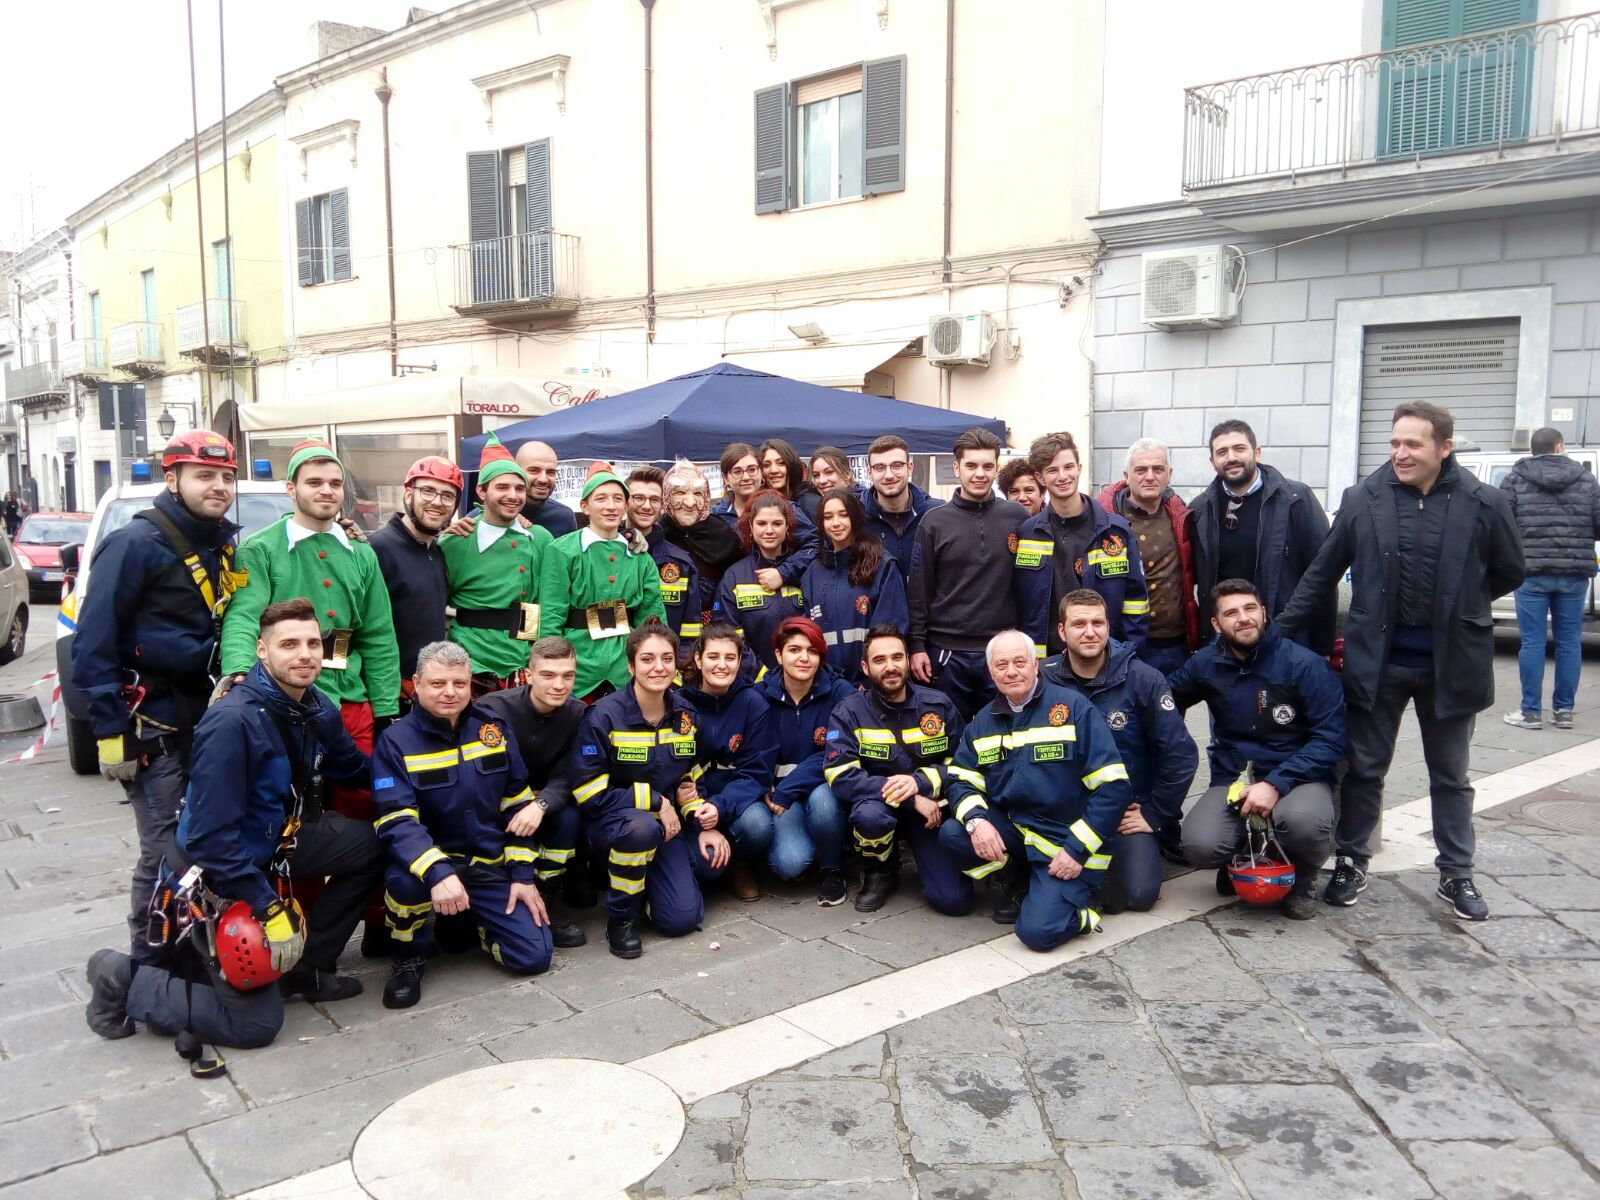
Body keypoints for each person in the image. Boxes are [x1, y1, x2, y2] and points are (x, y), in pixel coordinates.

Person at [85, 599, 383, 1049]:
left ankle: (307, 967)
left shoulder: (315, 706)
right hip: (218, 877)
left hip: (272, 847)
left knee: (371, 844)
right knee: (254, 1027)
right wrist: (266, 907)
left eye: (311, 643)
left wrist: (419, 777)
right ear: (262, 652)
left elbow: (354, 769)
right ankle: (120, 976)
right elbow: (208, 839)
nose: (304, 654)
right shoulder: (231, 722)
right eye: (288, 645)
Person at [1279, 402, 1524, 920]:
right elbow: (1322, 574)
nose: (1400, 453)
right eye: (1394, 443)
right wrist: (1276, 635)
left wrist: (1465, 608)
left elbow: (1510, 570)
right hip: (1378, 663)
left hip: (1451, 664)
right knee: (1366, 769)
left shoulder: (1485, 502)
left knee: (1450, 775)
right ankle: (1352, 860)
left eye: (1412, 444)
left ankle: (1457, 873)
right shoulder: (1362, 499)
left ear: (1444, 448)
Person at [219, 439, 399, 956]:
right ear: (291, 487)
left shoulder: (360, 553)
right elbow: (244, 617)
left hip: (353, 702)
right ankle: (296, 932)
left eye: (335, 483)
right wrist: (236, 672)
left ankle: (375, 922)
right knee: (294, 820)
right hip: (287, 706)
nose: (326, 491)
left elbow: (380, 636)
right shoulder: (261, 549)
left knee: (367, 810)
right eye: (315, 482)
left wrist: (385, 710)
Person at [72, 431, 242, 962]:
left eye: (226, 477)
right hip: (154, 727)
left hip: (203, 719)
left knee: (206, 839)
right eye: (204, 476)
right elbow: (92, 643)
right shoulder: (134, 544)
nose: (218, 487)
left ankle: (193, 951)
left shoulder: (219, 542)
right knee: (166, 849)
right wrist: (110, 731)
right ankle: (146, 968)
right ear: (173, 480)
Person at [374, 641, 566, 1009]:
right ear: (416, 683)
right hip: (431, 866)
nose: (450, 692)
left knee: (534, 957)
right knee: (402, 879)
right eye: (438, 683)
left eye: (460, 683)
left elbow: (517, 804)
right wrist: (437, 873)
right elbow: (396, 820)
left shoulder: (491, 730)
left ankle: (475, 926)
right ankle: (408, 955)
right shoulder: (395, 742)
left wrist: (523, 876)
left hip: (487, 862)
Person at [941, 630, 1132, 946]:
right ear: (991, 672)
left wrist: (1076, 851)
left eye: (1019, 661)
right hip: (1018, 830)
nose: (1011, 671)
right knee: (954, 833)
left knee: (1036, 934)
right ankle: (1020, 881)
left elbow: (1113, 786)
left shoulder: (1072, 708)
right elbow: (960, 778)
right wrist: (977, 823)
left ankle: (1085, 906)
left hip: (1065, 838)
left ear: (1035, 664)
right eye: (1001, 664)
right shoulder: (983, 721)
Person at [1170, 580, 1344, 921]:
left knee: (1301, 823)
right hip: (1234, 777)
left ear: (1264, 613)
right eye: (1231, 613)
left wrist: (1276, 783)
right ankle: (1242, 855)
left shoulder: (1303, 664)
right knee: (1200, 845)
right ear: (1217, 625)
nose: (1244, 618)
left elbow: (1331, 739)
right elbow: (1163, 700)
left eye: (1250, 609)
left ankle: (1304, 877)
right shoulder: (1205, 664)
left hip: (1296, 776)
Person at [571, 620, 730, 958]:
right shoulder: (603, 716)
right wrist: (657, 801)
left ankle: (643, 889)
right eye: (647, 659)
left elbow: (692, 777)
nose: (658, 667)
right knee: (640, 828)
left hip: (665, 829)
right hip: (613, 825)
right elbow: (588, 793)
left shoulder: (686, 716)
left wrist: (698, 817)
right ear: (631, 665)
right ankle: (621, 918)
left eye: (667, 658)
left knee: (681, 920)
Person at [1044, 590, 1198, 903]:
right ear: (1062, 631)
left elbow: (1181, 755)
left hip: (1125, 812)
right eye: (1079, 624)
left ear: (1108, 626)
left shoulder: (1144, 679)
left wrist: (1154, 812)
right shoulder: (1043, 680)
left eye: (1097, 622)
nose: (1090, 632)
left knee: (1139, 896)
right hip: (1063, 810)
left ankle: (1128, 855)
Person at [825, 624, 974, 915]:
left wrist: (921, 782)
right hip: (881, 807)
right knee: (869, 816)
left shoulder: (938, 705)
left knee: (954, 902)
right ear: (865, 668)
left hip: (931, 813)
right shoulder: (848, 712)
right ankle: (880, 868)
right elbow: (839, 774)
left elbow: (966, 763)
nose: (890, 667)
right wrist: (909, 796)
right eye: (879, 660)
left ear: (908, 660)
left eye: (897, 657)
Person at [907, 427, 1027, 718]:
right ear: (957, 467)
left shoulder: (1017, 517)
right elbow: (919, 590)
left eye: (988, 466)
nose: (980, 474)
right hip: (948, 654)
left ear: (996, 468)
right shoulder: (933, 522)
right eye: (971, 466)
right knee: (952, 737)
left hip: (1003, 652)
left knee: (1005, 734)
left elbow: (1031, 586)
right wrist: (917, 645)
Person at [1188, 420, 1333, 653]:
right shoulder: (1200, 510)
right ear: (1212, 461)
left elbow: (1322, 574)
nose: (1231, 457)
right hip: (1226, 642)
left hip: (1286, 637)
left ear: (1256, 452)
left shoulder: (1296, 499)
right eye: (1222, 452)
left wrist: (1323, 646)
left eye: (1239, 448)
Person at [476, 637, 591, 923]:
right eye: (548, 675)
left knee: (570, 817)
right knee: (456, 941)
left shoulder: (578, 713)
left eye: (568, 676)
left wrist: (539, 804)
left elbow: (571, 774)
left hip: (547, 802)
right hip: (499, 803)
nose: (559, 685)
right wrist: (524, 800)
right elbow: (480, 772)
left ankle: (548, 888)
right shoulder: (493, 709)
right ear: (528, 676)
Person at [1014, 431, 1149, 659]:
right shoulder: (1027, 533)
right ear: (1039, 477)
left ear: (1079, 467)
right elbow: (1019, 602)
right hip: (1047, 664)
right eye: (1052, 470)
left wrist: (1124, 655)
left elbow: (1136, 604)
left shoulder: (1116, 531)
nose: (1062, 476)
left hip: (1104, 661)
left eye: (1068, 467)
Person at [1499, 426, 1600, 731]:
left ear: (1532, 449)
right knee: (1570, 642)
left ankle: (1530, 712)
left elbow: (1501, 524)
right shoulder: (1586, 479)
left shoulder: (1515, 478)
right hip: (1574, 573)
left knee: (1532, 642)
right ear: (1559, 446)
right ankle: (1564, 711)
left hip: (1531, 573)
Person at [438, 433, 554, 695]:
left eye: (519, 488)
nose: (513, 496)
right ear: (481, 490)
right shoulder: (457, 541)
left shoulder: (541, 538)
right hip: (472, 665)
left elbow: (551, 600)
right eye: (502, 487)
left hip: (524, 665)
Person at [539, 464, 666, 700]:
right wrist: (553, 667)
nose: (610, 506)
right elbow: (551, 615)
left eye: (618, 499)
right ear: (585, 506)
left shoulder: (640, 557)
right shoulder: (561, 551)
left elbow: (651, 618)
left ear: (626, 506)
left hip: (623, 668)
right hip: (578, 667)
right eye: (601, 498)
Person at [758, 617, 854, 904]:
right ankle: (812, 844)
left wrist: (788, 789)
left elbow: (835, 752)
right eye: (795, 650)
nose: (804, 658)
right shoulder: (758, 696)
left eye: (812, 651)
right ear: (778, 654)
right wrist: (763, 785)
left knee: (825, 803)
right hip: (776, 794)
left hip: (818, 786)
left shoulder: (841, 693)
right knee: (790, 864)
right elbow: (753, 753)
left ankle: (832, 868)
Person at [679, 622, 778, 901]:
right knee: (707, 867)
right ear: (698, 659)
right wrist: (700, 815)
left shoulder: (753, 703)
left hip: (734, 801)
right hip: (692, 806)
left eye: (730, 657)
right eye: (713, 657)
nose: (721, 665)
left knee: (758, 826)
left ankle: (739, 864)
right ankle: (708, 863)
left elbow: (757, 769)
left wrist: (719, 807)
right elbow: (675, 771)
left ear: (739, 661)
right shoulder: (678, 703)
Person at [1097, 438, 1200, 677]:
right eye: (1141, 470)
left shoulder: (1182, 516)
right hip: (1126, 645)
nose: (1150, 476)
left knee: (1171, 713)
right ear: (1127, 474)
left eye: (1158, 469)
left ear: (1169, 474)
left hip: (1177, 646)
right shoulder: (1105, 521)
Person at [369, 457, 459, 702]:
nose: (437, 502)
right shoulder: (377, 549)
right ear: (408, 495)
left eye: (447, 496)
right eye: (427, 491)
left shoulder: (437, 551)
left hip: (427, 691)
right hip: (391, 693)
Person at [801, 486, 909, 683]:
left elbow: (892, 629)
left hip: (871, 687)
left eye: (843, 515)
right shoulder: (812, 573)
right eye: (828, 517)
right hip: (827, 687)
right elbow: (809, 633)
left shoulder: (881, 564)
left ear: (855, 518)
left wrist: (869, 684)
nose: (836, 523)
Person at [715, 490, 809, 673]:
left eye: (777, 523)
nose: (769, 530)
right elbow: (728, 638)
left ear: (787, 527)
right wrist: (761, 677)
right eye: (761, 523)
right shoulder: (734, 577)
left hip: (802, 679)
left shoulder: (805, 571)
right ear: (750, 526)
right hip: (756, 684)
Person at [659, 459, 746, 627]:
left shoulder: (724, 536)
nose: (690, 503)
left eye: (698, 494)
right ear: (666, 496)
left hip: (714, 634)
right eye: (680, 493)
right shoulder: (657, 535)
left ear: (707, 497)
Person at [627, 466, 704, 650]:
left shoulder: (681, 562)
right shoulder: (605, 553)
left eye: (654, 499)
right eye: (638, 498)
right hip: (616, 670)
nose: (647, 506)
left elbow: (690, 636)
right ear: (624, 502)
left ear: (663, 505)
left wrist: (676, 675)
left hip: (664, 670)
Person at [860, 433, 942, 578]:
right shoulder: (856, 518)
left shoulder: (937, 513)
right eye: (879, 467)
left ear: (910, 468)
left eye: (896, 466)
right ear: (869, 472)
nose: (889, 475)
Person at [516, 440, 578, 537]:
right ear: (517, 470)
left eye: (550, 472)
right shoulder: (495, 511)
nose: (543, 479)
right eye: (534, 471)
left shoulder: (564, 517)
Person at [760, 438, 821, 526]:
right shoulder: (761, 503)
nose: (773, 470)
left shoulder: (809, 502)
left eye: (781, 463)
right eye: (766, 465)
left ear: (791, 465)